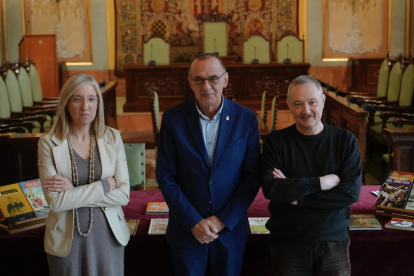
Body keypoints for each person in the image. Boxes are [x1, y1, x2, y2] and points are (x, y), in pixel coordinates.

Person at [156, 53, 261, 276]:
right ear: (190, 82)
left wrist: (222, 220)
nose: (206, 86)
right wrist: (194, 222)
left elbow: (252, 177)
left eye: (213, 78)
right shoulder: (173, 119)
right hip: (187, 232)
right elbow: (166, 177)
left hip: (229, 232)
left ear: (226, 80)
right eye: (198, 79)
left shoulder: (246, 119)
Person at [261, 75, 362, 276]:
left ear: (323, 101)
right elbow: (271, 188)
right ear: (289, 105)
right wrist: (322, 182)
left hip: (333, 240)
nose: (306, 111)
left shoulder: (345, 140)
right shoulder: (276, 142)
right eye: (298, 104)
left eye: (312, 102)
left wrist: (297, 198)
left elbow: (349, 193)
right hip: (289, 241)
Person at [37, 74, 130, 276]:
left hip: (108, 236)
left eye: (91, 99)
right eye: (77, 99)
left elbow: (124, 195)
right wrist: (104, 185)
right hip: (65, 241)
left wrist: (73, 192)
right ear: (66, 103)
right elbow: (56, 203)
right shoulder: (48, 143)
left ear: (98, 103)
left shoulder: (113, 137)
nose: (85, 106)